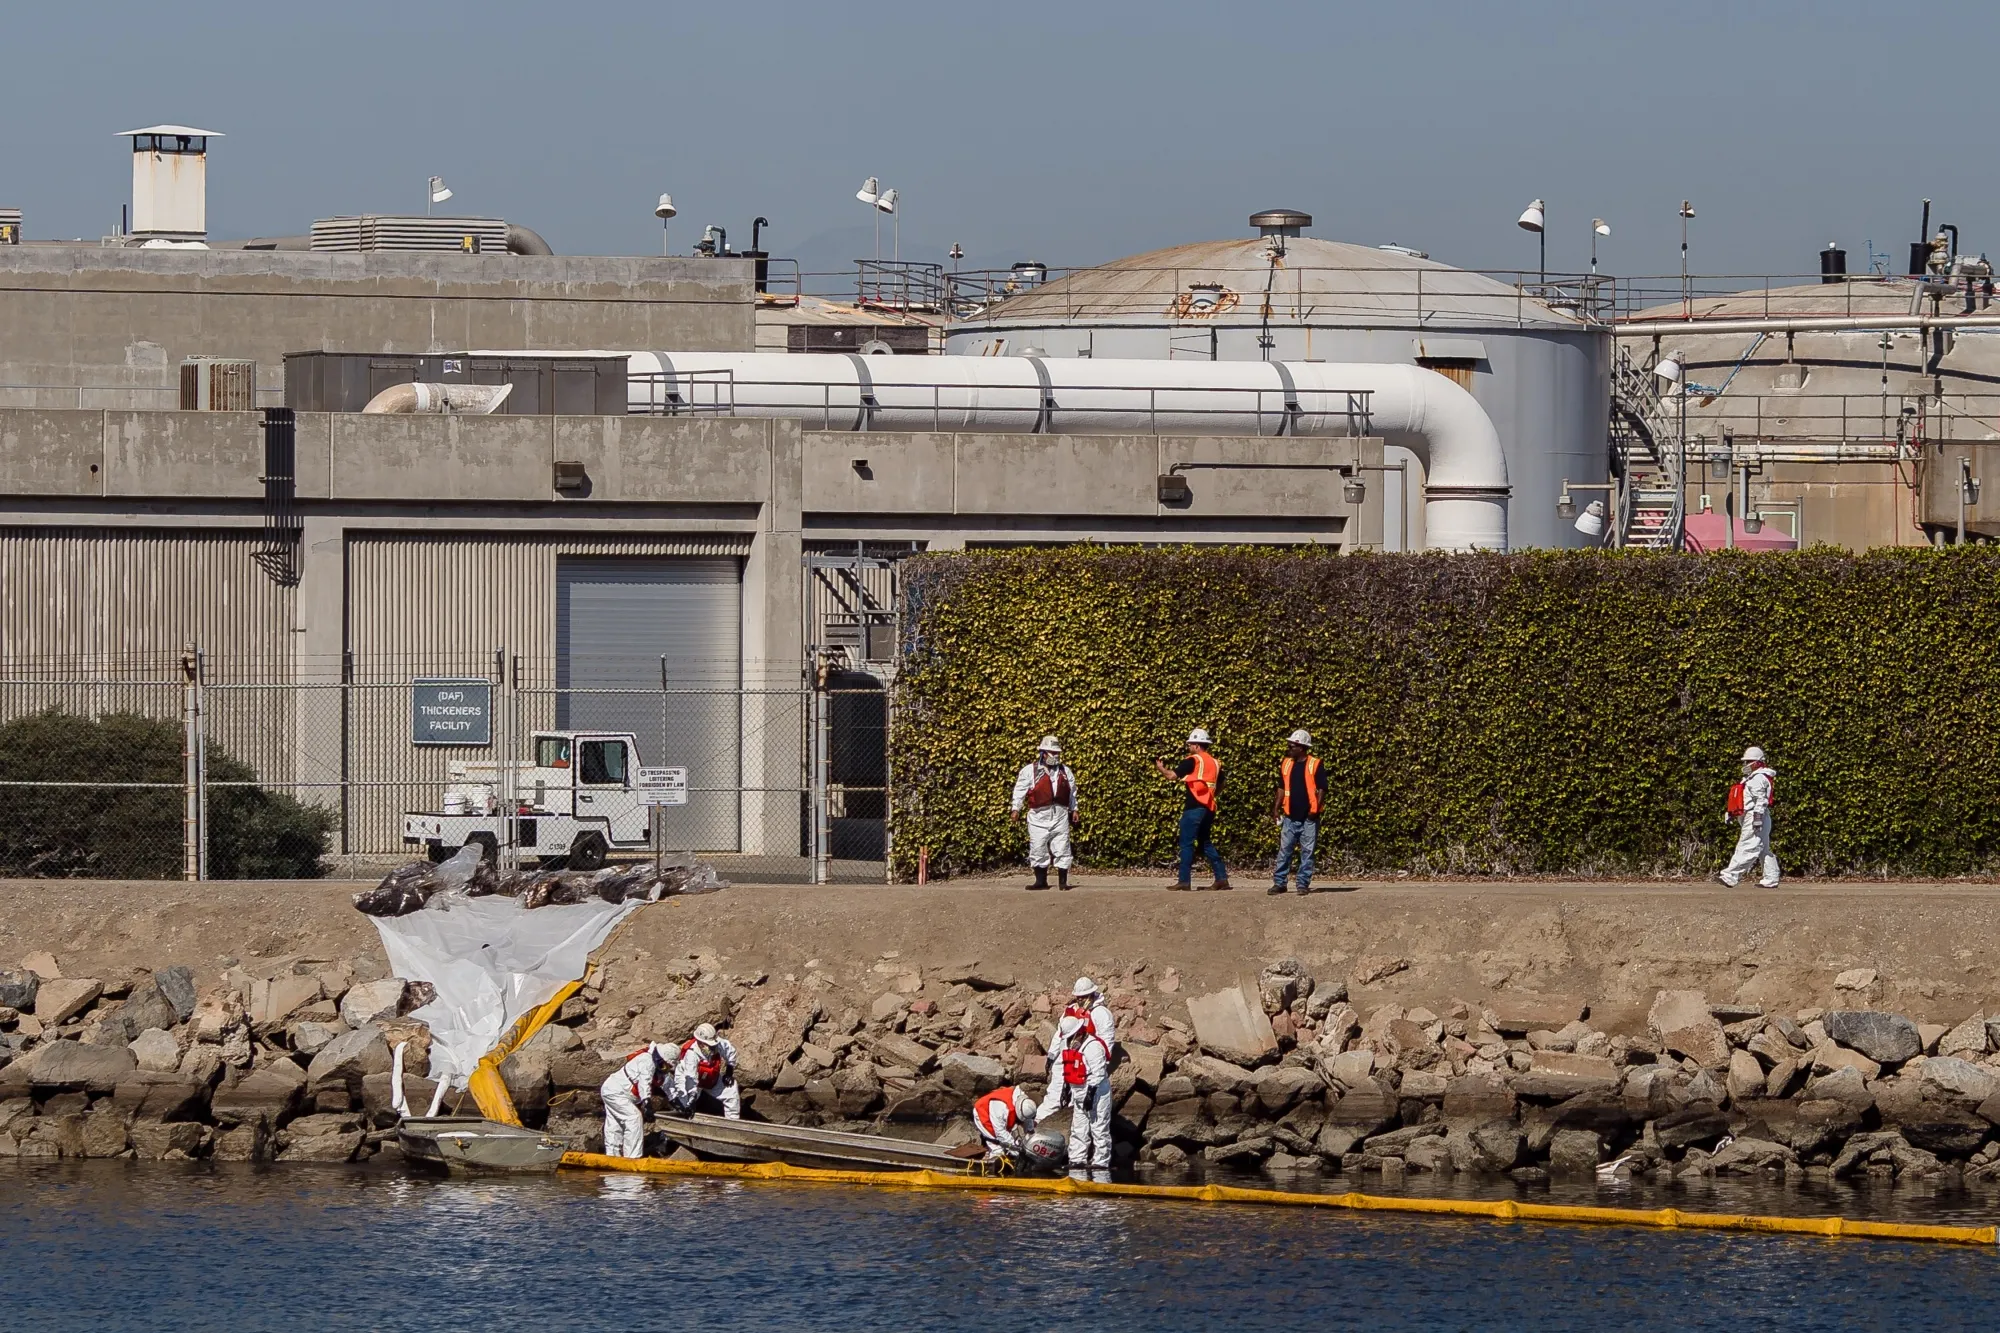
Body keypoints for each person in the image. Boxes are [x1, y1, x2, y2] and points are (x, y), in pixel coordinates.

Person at [1037, 1014, 1113, 1177]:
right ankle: (1077, 1159)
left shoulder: (1093, 1047)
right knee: (1078, 1128)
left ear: (1080, 1032)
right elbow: (1067, 1066)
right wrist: (1066, 1089)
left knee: (1099, 1127)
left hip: (1097, 1092)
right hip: (1078, 1091)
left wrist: (1090, 1095)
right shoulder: (1067, 1045)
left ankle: (1101, 1161)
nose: (1070, 1040)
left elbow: (1098, 1073)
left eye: (1072, 1036)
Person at [1155, 728, 1228, 891]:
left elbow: (1171, 776)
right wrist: (1212, 794)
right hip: (1209, 806)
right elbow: (1222, 783)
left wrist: (1160, 768)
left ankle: (1184, 881)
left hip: (1194, 807)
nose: (1189, 747)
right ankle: (1221, 878)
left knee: (1187, 843)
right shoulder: (1215, 762)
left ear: (1196, 745)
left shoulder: (1192, 760)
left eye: (1190, 744)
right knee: (1205, 842)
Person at [1010, 735, 1080, 891]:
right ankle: (1041, 881)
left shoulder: (1065, 771)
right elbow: (1020, 790)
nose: (1054, 756)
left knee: (1062, 846)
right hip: (1038, 816)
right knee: (1038, 846)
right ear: (1043, 752)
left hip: (1060, 815)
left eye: (1056, 753)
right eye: (1051, 753)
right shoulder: (1029, 771)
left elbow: (1072, 793)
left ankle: (1063, 882)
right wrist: (1016, 808)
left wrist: (1074, 809)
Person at [1270, 729, 1327, 895]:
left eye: (1292, 746)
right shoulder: (1287, 764)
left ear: (1301, 747)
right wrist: (1276, 808)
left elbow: (1322, 788)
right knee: (1284, 851)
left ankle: (1302, 884)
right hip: (1290, 816)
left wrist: (1315, 809)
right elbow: (1281, 787)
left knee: (1307, 853)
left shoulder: (1314, 764)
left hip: (1309, 818)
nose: (1289, 748)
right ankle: (1279, 883)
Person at [599, 1039, 677, 1158]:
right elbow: (644, 1082)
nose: (666, 1069)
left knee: (615, 1123)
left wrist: (678, 1102)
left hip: (620, 1093)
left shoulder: (660, 1070)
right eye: (665, 1066)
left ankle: (612, 1156)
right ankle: (633, 1157)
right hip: (615, 1091)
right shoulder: (646, 1060)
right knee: (634, 1118)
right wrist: (647, 1102)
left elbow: (668, 1085)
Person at [1718, 746, 1781, 888]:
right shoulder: (1751, 778)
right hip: (1753, 816)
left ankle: (1731, 875)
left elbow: (1761, 800)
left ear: (1758, 762)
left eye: (1749, 761)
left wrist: (1757, 817)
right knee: (1763, 848)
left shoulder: (1758, 778)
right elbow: (1744, 799)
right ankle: (1771, 878)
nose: (1746, 765)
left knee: (1747, 845)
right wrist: (1732, 813)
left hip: (1754, 816)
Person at [668, 1022, 742, 1119]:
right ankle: (682, 1122)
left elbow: (730, 1052)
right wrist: (692, 1098)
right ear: (700, 1043)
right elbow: (691, 1079)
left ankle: (733, 1122)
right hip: (688, 1079)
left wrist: (729, 1072)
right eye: (709, 1045)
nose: (713, 1047)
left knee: (731, 1090)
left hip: (711, 1076)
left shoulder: (718, 1043)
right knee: (684, 1104)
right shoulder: (691, 1054)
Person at [1043, 976, 1117, 1069]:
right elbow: (1060, 1033)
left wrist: (1102, 1062)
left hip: (1091, 1058)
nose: (1080, 999)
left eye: (1084, 996)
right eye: (1078, 996)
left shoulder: (1101, 1013)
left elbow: (1107, 1038)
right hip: (1070, 1057)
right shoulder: (1071, 1010)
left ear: (1092, 994)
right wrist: (1052, 1054)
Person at [972, 1085, 1040, 1164]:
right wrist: (1018, 1151)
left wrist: (1030, 1137)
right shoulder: (1001, 1108)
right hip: (983, 1114)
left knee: (1009, 1145)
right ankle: (991, 1166)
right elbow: (1000, 1133)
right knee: (998, 1148)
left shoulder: (1025, 1103)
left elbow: (1028, 1123)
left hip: (999, 1117)